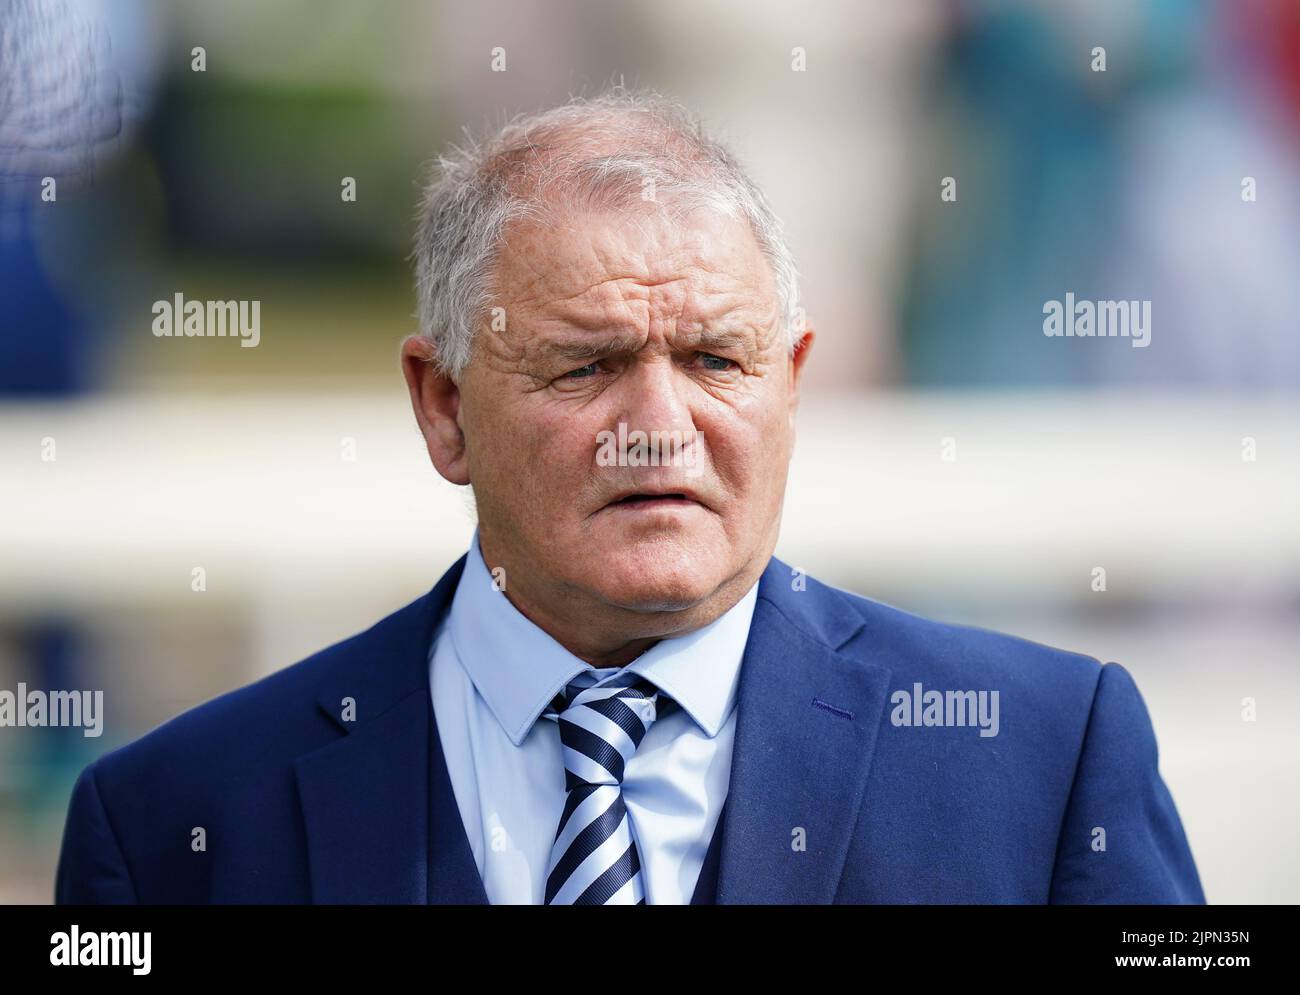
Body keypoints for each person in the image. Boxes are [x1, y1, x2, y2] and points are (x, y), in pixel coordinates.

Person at [54, 89, 1204, 904]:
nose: (659, 426)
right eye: (586, 365)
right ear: (443, 406)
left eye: (715, 360)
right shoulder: (178, 823)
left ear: (790, 385)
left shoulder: (1045, 762)